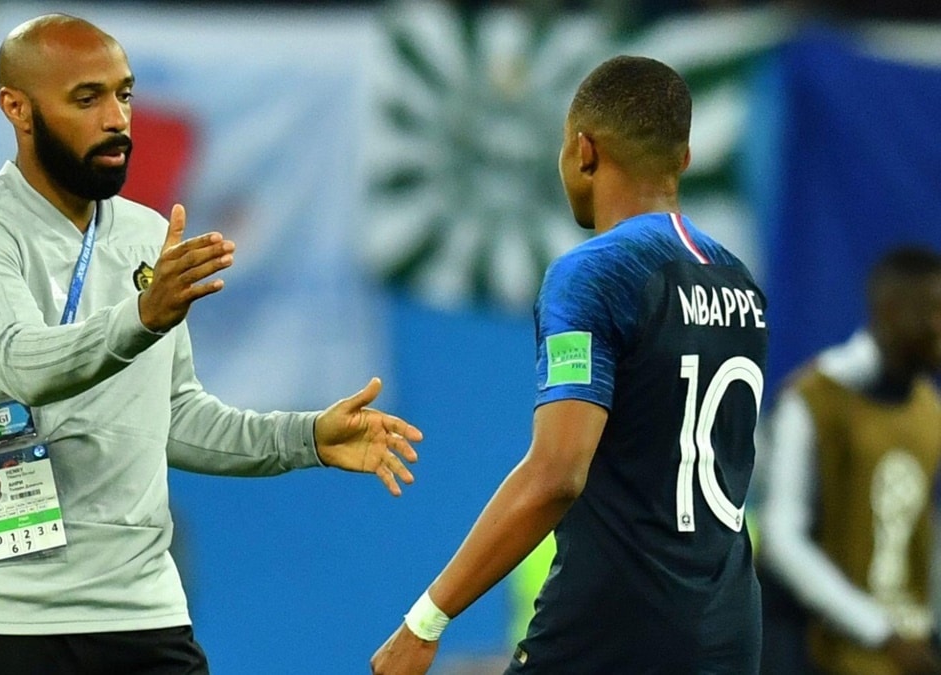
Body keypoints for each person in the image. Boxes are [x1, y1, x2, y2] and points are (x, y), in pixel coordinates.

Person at [0, 13, 423, 675]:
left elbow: (175, 415)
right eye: (86, 98)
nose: (117, 118)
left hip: (139, 611)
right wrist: (141, 319)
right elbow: (23, 361)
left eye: (124, 93)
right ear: (18, 108)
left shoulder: (145, 235)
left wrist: (304, 437)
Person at [371, 55, 768, 674]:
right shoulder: (739, 285)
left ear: (584, 151)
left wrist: (425, 621)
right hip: (727, 634)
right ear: (684, 159)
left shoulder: (595, 274)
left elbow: (557, 473)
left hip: (612, 632)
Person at [759, 247, 941, 675]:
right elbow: (782, 539)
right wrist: (880, 632)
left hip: (899, 653)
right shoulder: (813, 399)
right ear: (890, 310)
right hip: (808, 647)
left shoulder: (929, 411)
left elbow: (925, 527)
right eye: (933, 310)